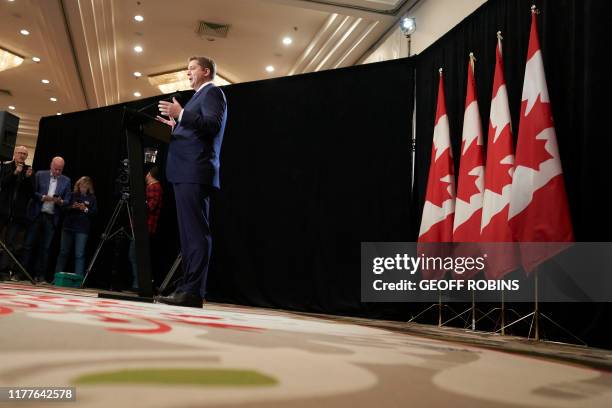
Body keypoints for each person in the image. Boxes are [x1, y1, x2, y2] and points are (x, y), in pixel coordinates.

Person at [155, 56, 227, 308]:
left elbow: (212, 125)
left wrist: (182, 113)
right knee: (188, 235)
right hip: (185, 171)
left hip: (195, 171)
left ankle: (193, 291)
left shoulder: (213, 93)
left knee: (196, 233)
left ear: (206, 72)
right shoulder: (199, 97)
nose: (188, 73)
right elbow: (196, 130)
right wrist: (176, 125)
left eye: (192, 68)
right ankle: (187, 288)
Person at [22, 156, 71, 283]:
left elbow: (67, 201)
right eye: (56, 169)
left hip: (51, 218)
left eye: (60, 170)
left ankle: (41, 276)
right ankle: (22, 273)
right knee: (28, 245)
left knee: (45, 248)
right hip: (37, 214)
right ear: (51, 165)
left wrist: (60, 201)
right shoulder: (39, 175)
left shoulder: (66, 181)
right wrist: (43, 197)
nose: (57, 172)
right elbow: (32, 192)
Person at [0, 146, 33, 280]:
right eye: (20, 153)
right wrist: (14, 173)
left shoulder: (29, 170)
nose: (22, 156)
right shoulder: (6, 167)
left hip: (17, 214)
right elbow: (2, 184)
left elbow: (31, 192)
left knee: (10, 244)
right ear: (14, 154)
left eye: (24, 154)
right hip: (2, 211)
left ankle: (3, 272)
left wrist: (27, 178)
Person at [128, 166, 163, 290]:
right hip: (145, 227)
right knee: (136, 256)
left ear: (149, 174)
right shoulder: (154, 187)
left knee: (135, 255)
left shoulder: (154, 187)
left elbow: (150, 207)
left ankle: (139, 284)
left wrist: (138, 204)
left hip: (144, 227)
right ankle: (139, 283)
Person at [55, 176, 97, 277]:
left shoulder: (92, 198)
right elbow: (63, 209)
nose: (82, 188)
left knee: (79, 254)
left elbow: (94, 213)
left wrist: (85, 209)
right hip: (68, 226)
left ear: (89, 187)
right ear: (78, 186)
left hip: (82, 229)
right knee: (63, 252)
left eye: (85, 186)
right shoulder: (72, 195)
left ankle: (79, 279)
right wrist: (72, 207)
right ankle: (56, 277)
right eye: (81, 186)